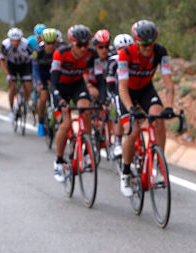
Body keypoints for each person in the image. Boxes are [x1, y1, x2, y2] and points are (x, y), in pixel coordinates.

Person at [115, 20, 176, 196]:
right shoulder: (126, 54)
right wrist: (130, 108)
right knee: (132, 131)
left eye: (151, 43)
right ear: (136, 41)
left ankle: (159, 163)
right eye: (144, 44)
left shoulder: (160, 51)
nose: (148, 48)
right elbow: (122, 87)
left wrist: (170, 106)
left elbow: (167, 81)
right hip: (127, 93)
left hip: (146, 90)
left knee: (158, 118)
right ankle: (126, 173)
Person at [49, 24, 105, 182]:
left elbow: (101, 80)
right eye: (79, 45)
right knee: (66, 124)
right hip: (60, 88)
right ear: (71, 43)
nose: (83, 49)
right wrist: (59, 100)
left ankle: (86, 150)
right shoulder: (60, 53)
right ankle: (58, 161)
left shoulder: (92, 54)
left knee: (86, 110)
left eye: (86, 45)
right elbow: (52, 83)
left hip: (77, 86)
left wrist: (102, 98)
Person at [0, 27, 34, 116]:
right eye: (13, 40)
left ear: (20, 39)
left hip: (24, 64)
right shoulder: (5, 44)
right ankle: (11, 109)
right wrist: (7, 75)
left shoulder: (26, 44)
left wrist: (32, 72)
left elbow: (32, 59)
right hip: (12, 65)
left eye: (17, 40)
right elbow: (2, 61)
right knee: (12, 86)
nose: (15, 43)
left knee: (28, 84)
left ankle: (26, 101)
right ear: (9, 39)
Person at [32, 27, 59, 136]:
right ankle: (41, 122)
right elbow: (35, 69)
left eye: (53, 43)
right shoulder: (38, 51)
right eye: (48, 43)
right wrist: (38, 82)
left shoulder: (59, 51)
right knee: (43, 97)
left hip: (54, 75)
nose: (51, 46)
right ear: (44, 42)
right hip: (41, 76)